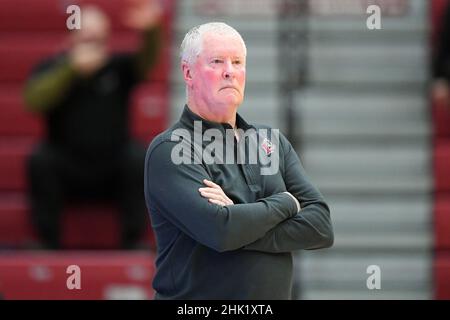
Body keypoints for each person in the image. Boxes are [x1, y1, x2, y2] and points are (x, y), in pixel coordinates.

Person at [144, 22, 333, 300]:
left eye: (237, 62)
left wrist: (240, 218)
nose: (229, 71)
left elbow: (320, 227)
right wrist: (286, 202)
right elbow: (221, 231)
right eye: (217, 61)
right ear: (188, 72)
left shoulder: (273, 143)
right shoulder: (170, 149)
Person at [23, 0, 163, 250]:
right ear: (72, 39)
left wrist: (151, 31)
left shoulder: (117, 68)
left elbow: (147, 62)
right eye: (86, 38)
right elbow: (34, 99)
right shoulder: (52, 68)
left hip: (111, 166)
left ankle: (131, 244)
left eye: (98, 40)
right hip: (67, 166)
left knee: (139, 156)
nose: (92, 47)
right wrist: (70, 70)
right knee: (40, 160)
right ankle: (48, 244)